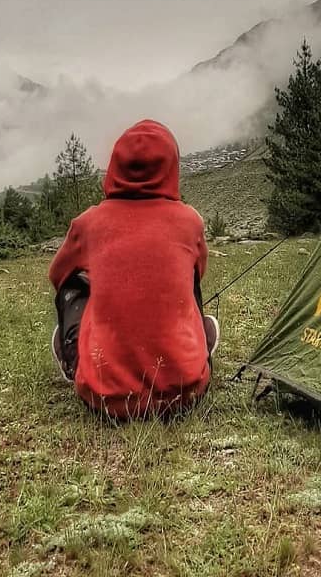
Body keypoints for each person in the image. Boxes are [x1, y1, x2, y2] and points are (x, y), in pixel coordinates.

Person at [48, 119, 219, 419]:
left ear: (116, 165)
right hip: (184, 391)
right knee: (188, 276)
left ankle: (78, 357)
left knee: (74, 286)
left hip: (104, 398)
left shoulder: (89, 223)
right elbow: (199, 273)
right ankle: (197, 346)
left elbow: (58, 276)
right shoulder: (189, 221)